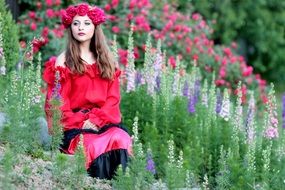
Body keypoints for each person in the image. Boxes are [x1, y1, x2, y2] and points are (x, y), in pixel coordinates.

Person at [42, 3, 132, 180]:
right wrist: (82, 122)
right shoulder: (63, 62)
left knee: (121, 138)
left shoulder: (107, 62)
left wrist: (95, 120)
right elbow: (56, 104)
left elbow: (112, 101)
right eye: (76, 23)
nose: (81, 27)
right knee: (92, 145)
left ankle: (122, 182)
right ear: (70, 28)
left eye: (86, 23)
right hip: (75, 127)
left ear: (95, 27)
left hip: (102, 123)